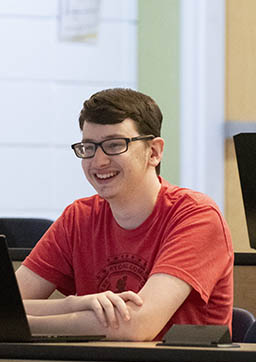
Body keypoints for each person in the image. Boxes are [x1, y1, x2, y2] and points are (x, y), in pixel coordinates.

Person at [16, 88, 233, 341]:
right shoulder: (78, 217)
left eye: (114, 145)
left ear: (154, 152)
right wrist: (73, 304)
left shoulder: (196, 216)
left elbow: (135, 327)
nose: (98, 161)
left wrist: (23, 324)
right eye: (89, 147)